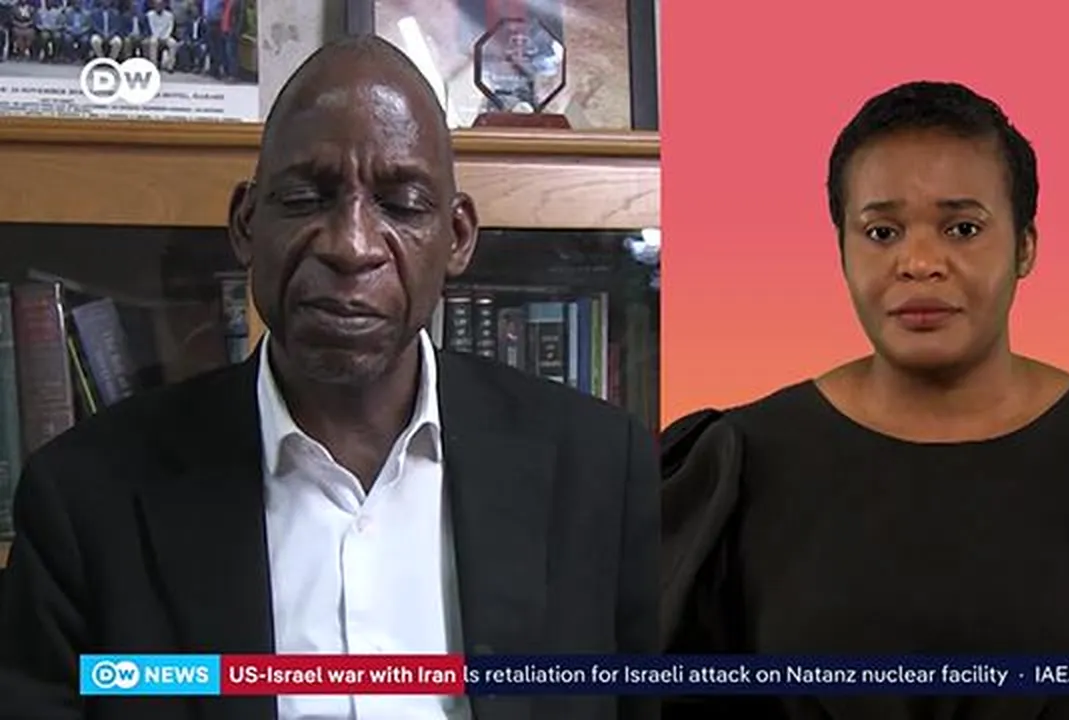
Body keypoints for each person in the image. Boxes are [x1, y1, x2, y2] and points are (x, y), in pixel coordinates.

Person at [0, 35, 659, 720]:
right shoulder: (85, 499)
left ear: (458, 237)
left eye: (401, 204)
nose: (351, 245)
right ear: (246, 225)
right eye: (304, 198)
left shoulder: (601, 474)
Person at [660, 80, 1069, 720]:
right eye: (881, 232)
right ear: (841, 250)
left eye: (962, 228)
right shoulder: (731, 470)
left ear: (1025, 247)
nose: (919, 262)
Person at [141, 0, 173, 70]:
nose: (159, 6)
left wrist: (165, 37)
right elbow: (151, 27)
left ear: (164, 5)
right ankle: (154, 64)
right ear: (154, 5)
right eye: (157, 5)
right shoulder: (149, 15)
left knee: (173, 43)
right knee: (153, 42)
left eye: (161, 5)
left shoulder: (169, 15)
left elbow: (170, 27)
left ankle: (170, 65)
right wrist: (157, 36)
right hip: (154, 36)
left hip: (166, 36)